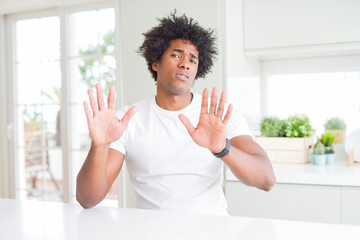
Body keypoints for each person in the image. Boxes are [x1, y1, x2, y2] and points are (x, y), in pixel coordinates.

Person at [76, 12, 276, 215]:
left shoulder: (220, 117)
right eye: (176, 54)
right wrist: (99, 146)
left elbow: (266, 180)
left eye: (192, 59)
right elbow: (88, 199)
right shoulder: (127, 120)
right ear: (156, 63)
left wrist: (222, 148)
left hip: (212, 231)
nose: (185, 63)